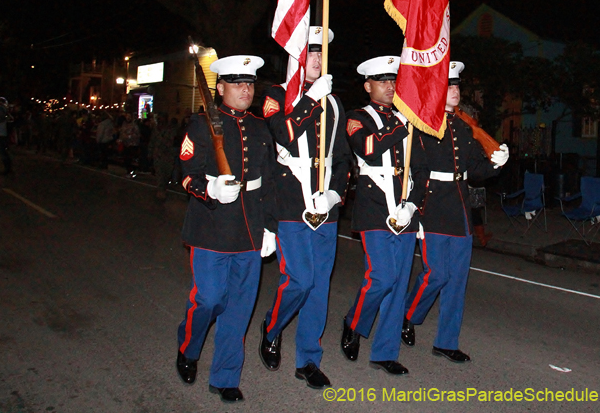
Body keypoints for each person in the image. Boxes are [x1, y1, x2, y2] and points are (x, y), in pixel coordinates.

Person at [175, 55, 278, 403]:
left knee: (239, 308)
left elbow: (269, 182)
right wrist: (210, 189)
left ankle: (225, 376)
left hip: (250, 228)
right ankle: (189, 348)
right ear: (220, 88)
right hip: (211, 226)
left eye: (250, 84)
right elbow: (187, 173)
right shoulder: (201, 123)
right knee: (209, 298)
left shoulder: (262, 127)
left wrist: (270, 228)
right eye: (238, 84)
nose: (246, 90)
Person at [258, 27, 352, 390]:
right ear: (295, 59)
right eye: (310, 54)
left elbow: (343, 158)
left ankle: (308, 359)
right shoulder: (275, 95)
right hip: (288, 204)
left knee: (319, 288)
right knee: (300, 279)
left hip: (323, 208)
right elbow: (282, 134)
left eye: (320, 55)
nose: (316, 60)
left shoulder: (334, 102)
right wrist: (310, 99)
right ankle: (272, 326)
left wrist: (334, 195)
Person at [402, 62, 509, 363]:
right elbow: (418, 169)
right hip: (433, 205)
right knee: (436, 274)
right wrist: (415, 206)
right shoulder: (422, 126)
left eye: (457, 86)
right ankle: (407, 316)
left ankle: (446, 342)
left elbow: (474, 168)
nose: (455, 91)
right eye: (449, 86)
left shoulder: (464, 127)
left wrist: (496, 163)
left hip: (459, 206)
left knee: (457, 280)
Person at [341, 55, 423, 376]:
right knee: (382, 277)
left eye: (393, 81)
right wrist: (402, 124)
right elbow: (369, 148)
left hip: (405, 209)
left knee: (399, 283)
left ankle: (385, 352)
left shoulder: (408, 119)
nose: (390, 87)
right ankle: (354, 322)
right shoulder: (357, 117)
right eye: (383, 81)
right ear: (368, 85)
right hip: (374, 207)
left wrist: (413, 203)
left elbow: (421, 167)